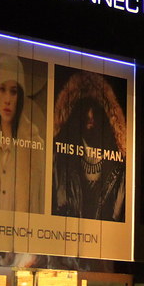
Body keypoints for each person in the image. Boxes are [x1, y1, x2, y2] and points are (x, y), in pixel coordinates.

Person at [52, 70, 127, 221]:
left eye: (96, 112)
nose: (90, 117)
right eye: (85, 110)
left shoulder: (119, 164)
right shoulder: (59, 156)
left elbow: (118, 211)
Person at [0, 54, 44, 213]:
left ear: (20, 96)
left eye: (13, 91)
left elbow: (38, 202)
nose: (7, 99)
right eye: (2, 89)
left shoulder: (34, 144)